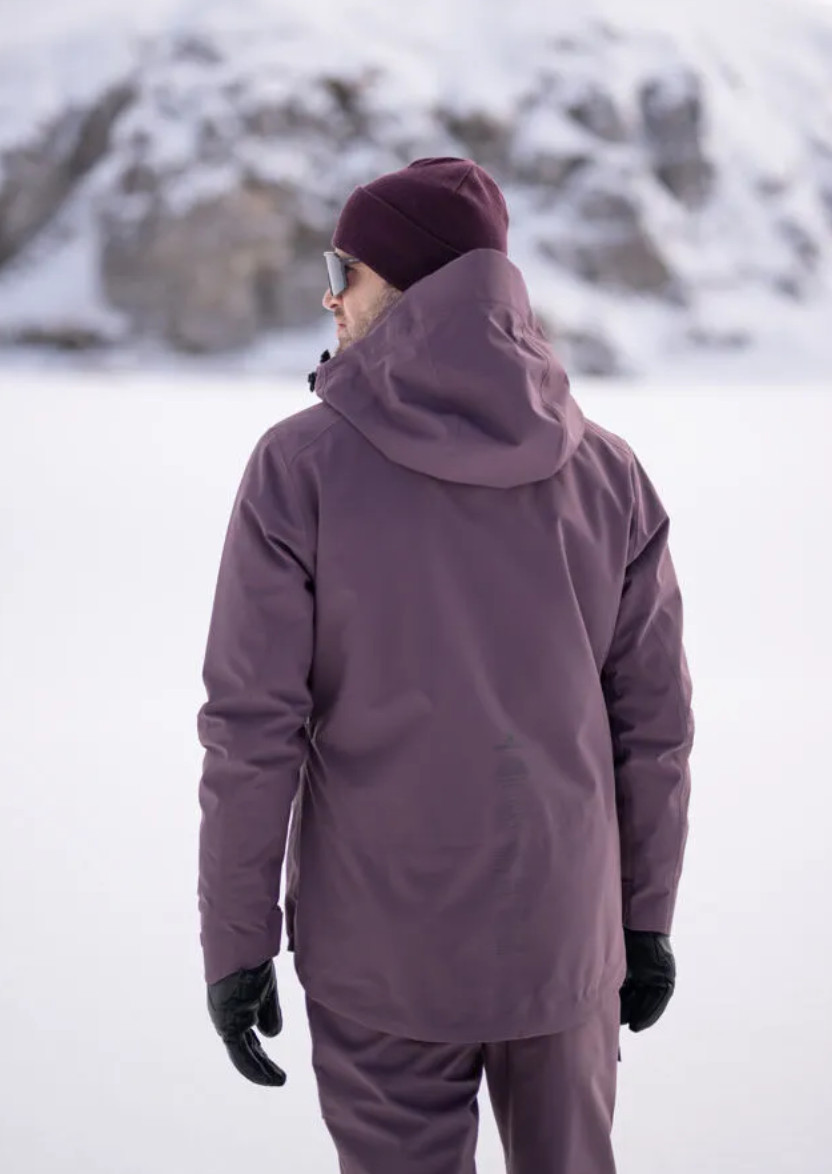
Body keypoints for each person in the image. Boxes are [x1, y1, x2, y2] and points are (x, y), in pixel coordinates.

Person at [196, 156, 695, 1173]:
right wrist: (642, 919)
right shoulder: (607, 472)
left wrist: (236, 944)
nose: (330, 295)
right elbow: (653, 730)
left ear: (411, 286)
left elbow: (251, 732)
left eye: (345, 270)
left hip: (381, 956)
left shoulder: (300, 469)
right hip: (564, 942)